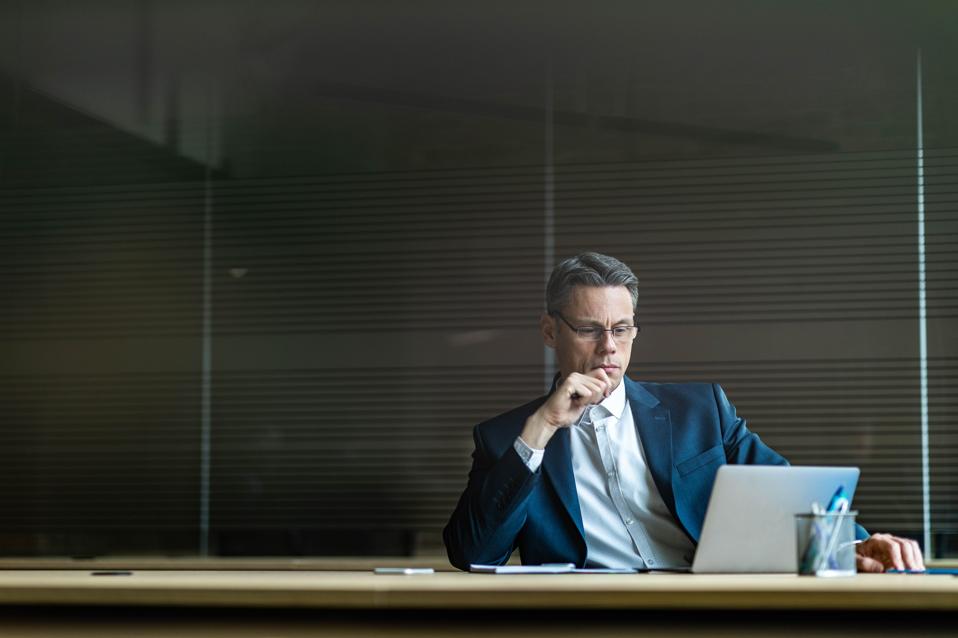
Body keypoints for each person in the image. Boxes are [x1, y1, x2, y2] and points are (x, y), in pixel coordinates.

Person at [443, 252, 925, 573]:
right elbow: (473, 554)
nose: (609, 347)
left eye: (623, 329)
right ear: (550, 332)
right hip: (592, 616)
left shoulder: (701, 410)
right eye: (590, 329)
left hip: (705, 601)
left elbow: (789, 492)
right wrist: (542, 429)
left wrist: (855, 545)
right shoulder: (508, 438)